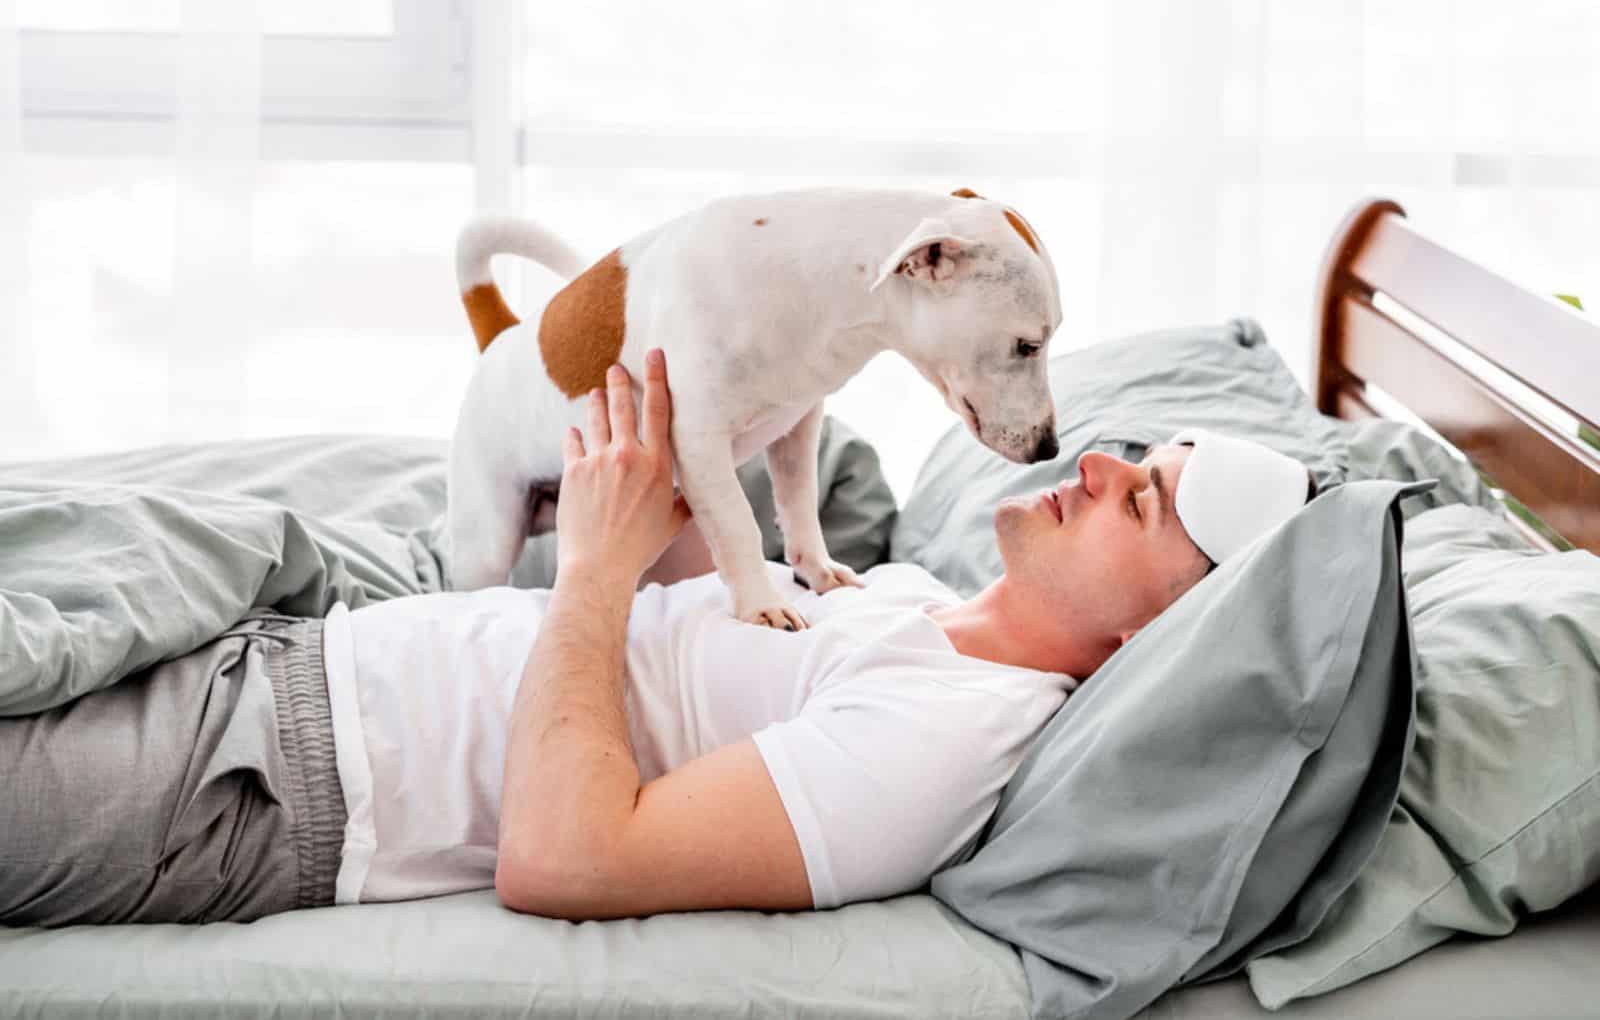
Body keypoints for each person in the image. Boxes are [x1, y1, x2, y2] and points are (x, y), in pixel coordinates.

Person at [0, 350, 1315, 928]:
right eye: (1135, 456)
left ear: (1168, 628)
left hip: (275, 777)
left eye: (1143, 500)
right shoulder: (909, 597)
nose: (1094, 466)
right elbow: (691, 623)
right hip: (305, 632)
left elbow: (569, 859)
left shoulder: (948, 742)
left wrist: (594, 568)